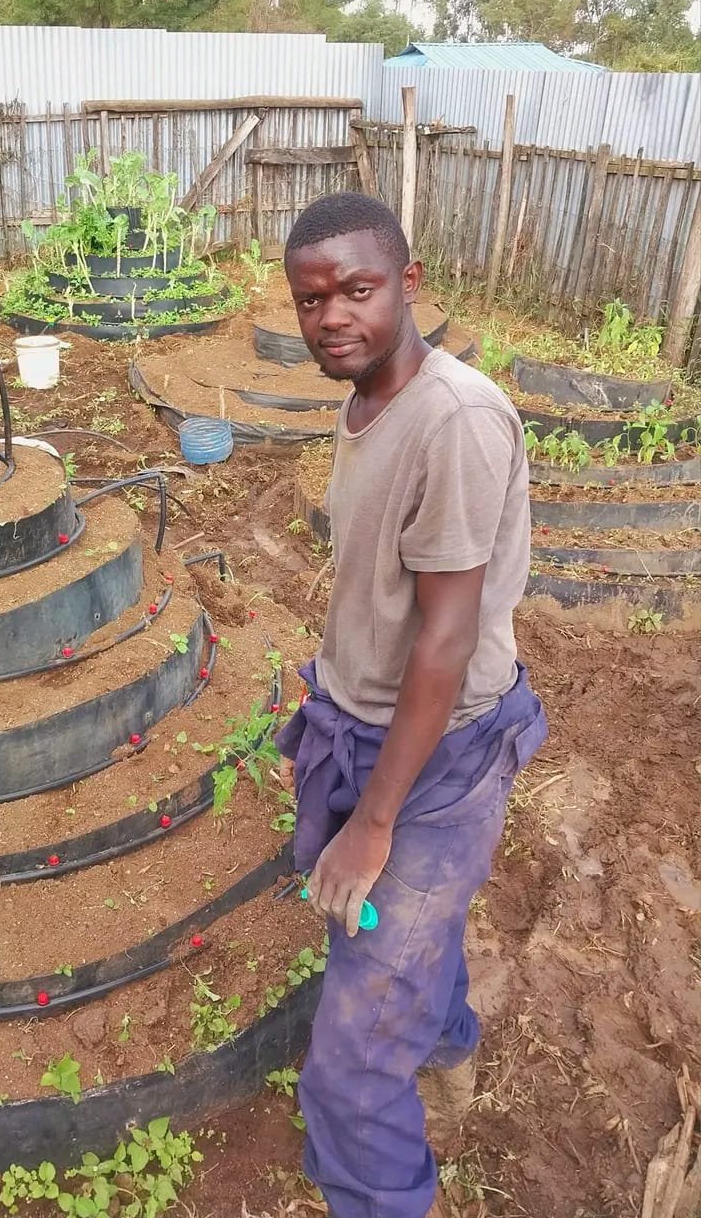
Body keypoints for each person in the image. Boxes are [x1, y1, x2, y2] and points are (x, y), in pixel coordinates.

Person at [274, 193, 547, 1218]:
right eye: (311, 299)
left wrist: (375, 822)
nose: (332, 315)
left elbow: (445, 636)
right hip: (362, 719)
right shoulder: (365, 400)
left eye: (356, 289)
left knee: (348, 1058)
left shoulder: (458, 417)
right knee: (398, 930)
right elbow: (382, 591)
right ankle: (441, 1035)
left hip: (441, 753)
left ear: (409, 284)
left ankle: (380, 1194)